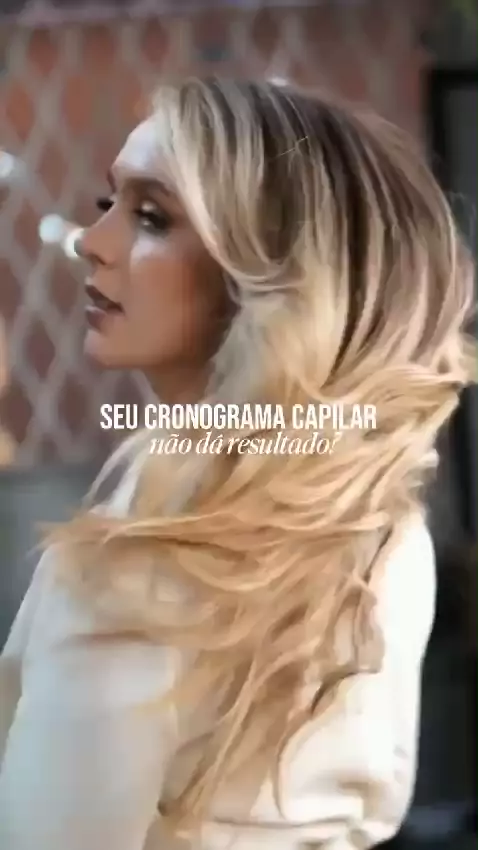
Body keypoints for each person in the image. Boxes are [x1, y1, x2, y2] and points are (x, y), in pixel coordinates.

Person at [0, 77, 475, 850]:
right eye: (107, 203)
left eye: (151, 217)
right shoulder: (385, 524)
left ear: (269, 273)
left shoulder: (144, 556)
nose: (93, 241)